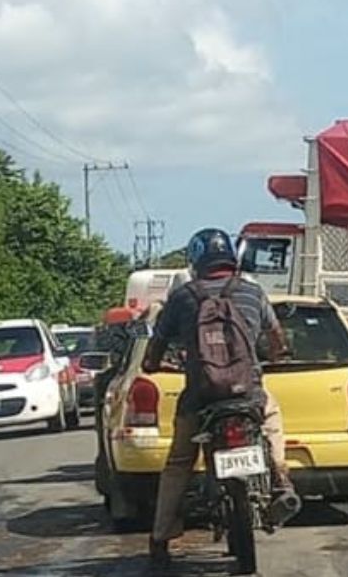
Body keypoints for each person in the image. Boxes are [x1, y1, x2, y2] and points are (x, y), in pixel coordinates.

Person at [143, 228, 299, 569]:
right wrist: (276, 355)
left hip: (200, 397)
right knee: (271, 419)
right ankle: (281, 477)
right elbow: (276, 338)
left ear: (196, 261)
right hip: (248, 393)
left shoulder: (182, 298)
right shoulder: (253, 293)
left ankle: (160, 536)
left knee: (179, 463)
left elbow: (155, 348)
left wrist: (153, 364)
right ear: (232, 257)